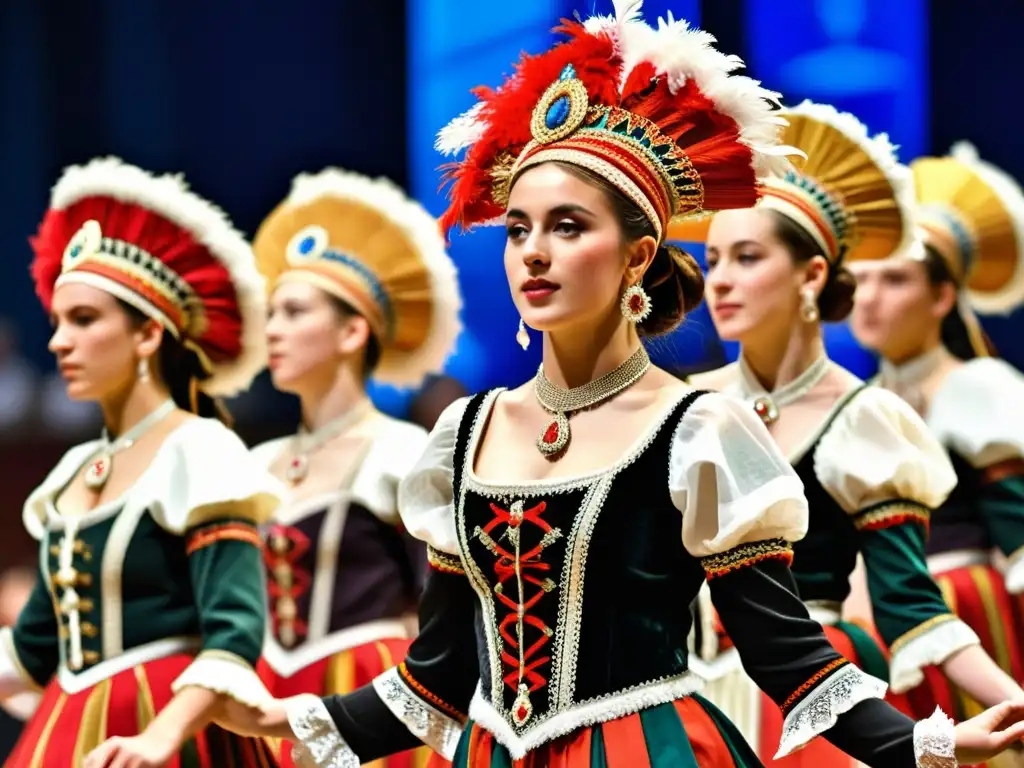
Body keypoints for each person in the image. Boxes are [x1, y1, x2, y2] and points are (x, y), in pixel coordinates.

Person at [212, 3, 1024, 766]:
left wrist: (929, 745)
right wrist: (284, 718)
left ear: (637, 257)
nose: (533, 251)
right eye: (519, 229)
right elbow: (438, 676)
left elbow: (787, 656)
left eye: (569, 227)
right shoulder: (464, 432)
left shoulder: (699, 428)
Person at [673, 101, 1024, 767]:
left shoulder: (865, 422)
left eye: (746, 257)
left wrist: (1011, 698)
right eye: (712, 258)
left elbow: (908, 603)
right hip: (688, 702)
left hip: (811, 704)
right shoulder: (683, 405)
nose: (719, 279)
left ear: (811, 275)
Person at [0, 156, 285, 768]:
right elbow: (33, 648)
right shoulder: (73, 472)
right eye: (56, 322)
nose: (57, 341)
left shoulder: (200, 450)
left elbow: (234, 630)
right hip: (67, 721)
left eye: (83, 320)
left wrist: (162, 736)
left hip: (169, 727)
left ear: (148, 335)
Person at [249, 168, 462, 767]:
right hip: (265, 691)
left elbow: (442, 604)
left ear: (351, 331)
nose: (272, 330)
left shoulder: (402, 452)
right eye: (270, 314)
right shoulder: (255, 465)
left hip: (368, 688)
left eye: (293, 312)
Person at [848, 142, 1024, 726]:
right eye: (860, 279)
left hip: (971, 614)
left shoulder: (978, 386)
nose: (869, 298)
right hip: (885, 624)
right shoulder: (860, 399)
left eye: (894, 280)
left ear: (942, 296)